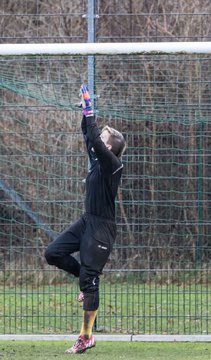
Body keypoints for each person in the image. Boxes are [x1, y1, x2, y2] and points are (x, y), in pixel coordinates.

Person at [44, 85, 126, 354]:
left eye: (102, 137)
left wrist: (91, 110)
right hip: (87, 222)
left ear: (109, 146)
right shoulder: (98, 160)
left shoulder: (112, 165)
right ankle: (85, 282)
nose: (97, 139)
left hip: (101, 230)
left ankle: (86, 336)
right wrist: (85, 115)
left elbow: (93, 137)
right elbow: (87, 134)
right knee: (53, 252)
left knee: (90, 281)